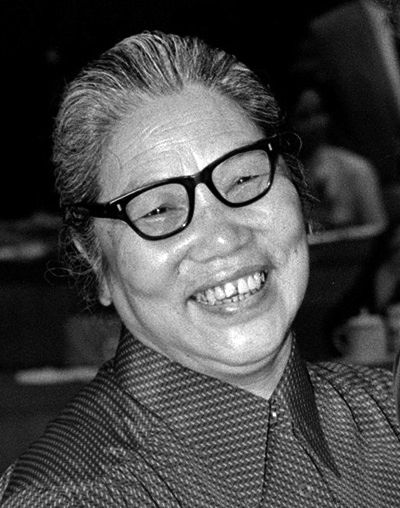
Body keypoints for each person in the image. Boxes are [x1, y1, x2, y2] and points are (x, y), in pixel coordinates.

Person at [1, 31, 400, 507]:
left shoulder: (386, 417)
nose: (223, 237)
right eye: (157, 210)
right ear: (96, 261)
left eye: (245, 178)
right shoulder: (73, 495)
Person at [291, 87, 387, 231]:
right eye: (303, 117)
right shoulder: (283, 173)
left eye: (319, 112)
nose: (316, 123)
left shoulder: (355, 168)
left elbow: (376, 230)